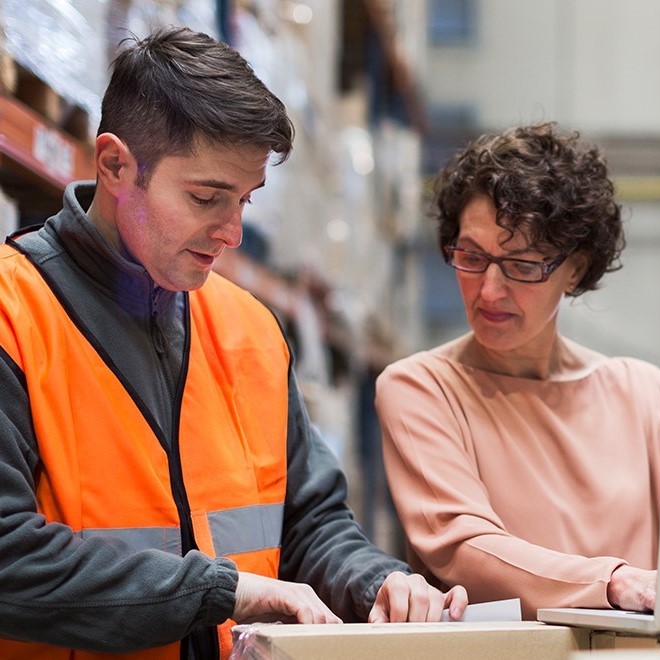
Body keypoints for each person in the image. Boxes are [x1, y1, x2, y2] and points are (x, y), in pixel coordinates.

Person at [0, 27, 467, 659]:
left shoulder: (250, 330)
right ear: (115, 165)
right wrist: (221, 590)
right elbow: (9, 560)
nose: (233, 233)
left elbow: (310, 522)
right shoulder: (14, 314)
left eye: (245, 200)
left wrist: (377, 580)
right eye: (205, 197)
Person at [375, 122, 660, 621]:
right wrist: (615, 582)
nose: (489, 290)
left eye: (523, 264)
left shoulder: (641, 390)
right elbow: (465, 549)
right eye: (471, 257)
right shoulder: (420, 388)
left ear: (574, 269)